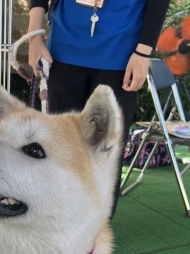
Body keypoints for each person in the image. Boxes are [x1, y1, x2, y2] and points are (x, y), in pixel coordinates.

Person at [27, 0, 170, 217]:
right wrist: (34, 35)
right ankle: (54, 221)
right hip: (64, 46)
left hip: (122, 50)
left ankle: (94, 234)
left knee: (106, 150)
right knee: (58, 145)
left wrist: (143, 52)